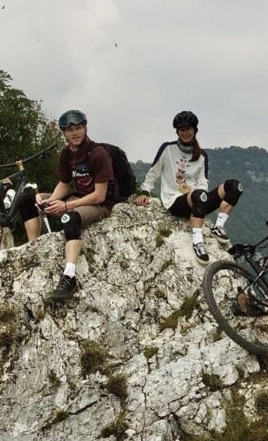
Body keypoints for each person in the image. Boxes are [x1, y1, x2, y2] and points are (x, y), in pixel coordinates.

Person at [18, 109, 114, 302]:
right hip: (74, 197)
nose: (74, 133)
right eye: (69, 130)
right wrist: (50, 201)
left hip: (99, 205)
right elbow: (64, 183)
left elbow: (99, 195)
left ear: (85, 128)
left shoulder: (98, 154)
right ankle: (34, 249)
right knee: (27, 200)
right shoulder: (66, 153)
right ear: (64, 133)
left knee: (70, 218)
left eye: (78, 128)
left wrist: (66, 206)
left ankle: (69, 277)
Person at [134, 110, 243, 264]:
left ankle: (218, 227)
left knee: (235, 186)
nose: (185, 133)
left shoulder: (202, 155)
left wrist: (203, 197)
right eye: (181, 129)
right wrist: (145, 192)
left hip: (198, 200)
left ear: (195, 130)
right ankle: (198, 242)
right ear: (177, 132)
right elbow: (153, 173)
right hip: (175, 201)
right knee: (199, 195)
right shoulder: (168, 149)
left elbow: (203, 180)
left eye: (188, 129)